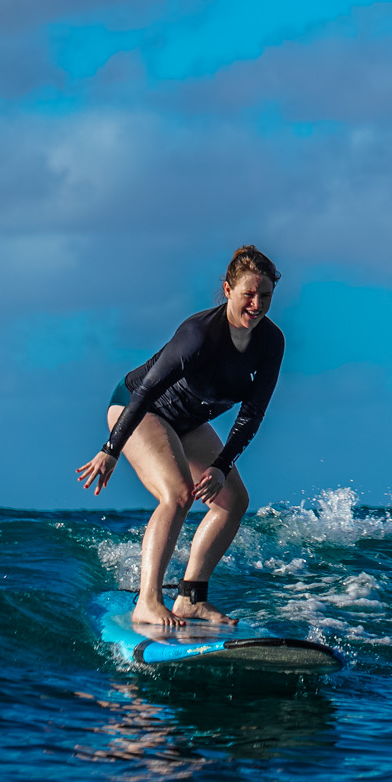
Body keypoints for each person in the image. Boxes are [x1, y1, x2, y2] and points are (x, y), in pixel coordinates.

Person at [75, 246, 285, 628]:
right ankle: (148, 602)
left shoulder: (271, 342)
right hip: (139, 409)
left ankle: (190, 598)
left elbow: (252, 413)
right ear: (228, 290)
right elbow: (145, 392)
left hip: (188, 421)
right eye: (249, 294)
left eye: (265, 296)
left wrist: (221, 466)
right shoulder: (198, 335)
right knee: (178, 494)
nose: (257, 304)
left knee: (233, 500)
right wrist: (111, 450)